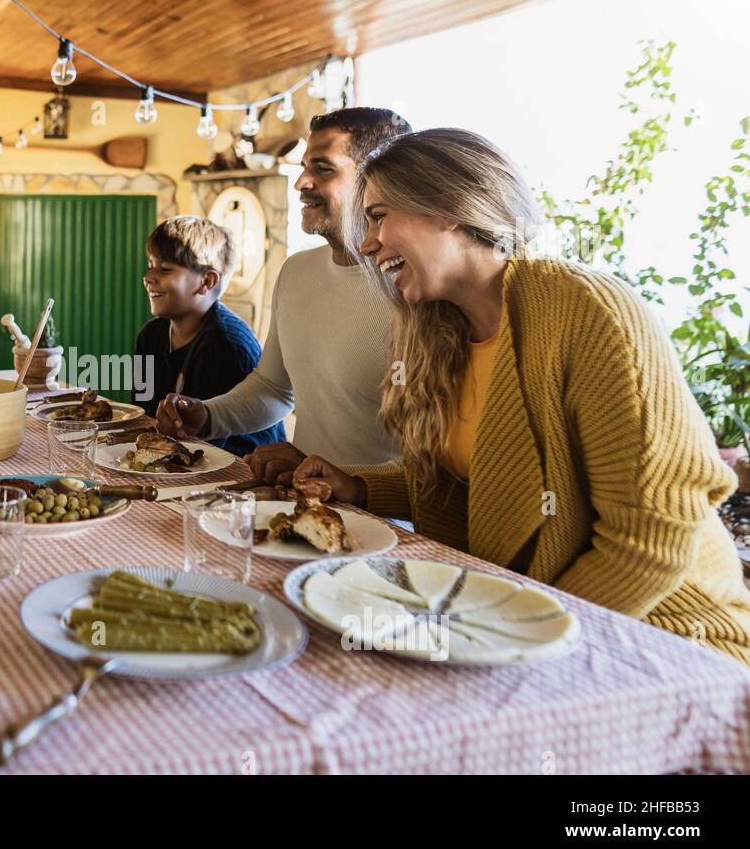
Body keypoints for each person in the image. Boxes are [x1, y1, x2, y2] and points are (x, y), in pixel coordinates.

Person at [292, 127, 750, 665]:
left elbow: (651, 540)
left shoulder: (587, 311)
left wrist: (504, 631)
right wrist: (362, 487)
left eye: (378, 217)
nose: (367, 243)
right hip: (520, 616)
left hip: (664, 635)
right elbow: (487, 490)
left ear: (449, 207)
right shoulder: (435, 332)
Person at [156, 108, 411, 481]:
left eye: (323, 169)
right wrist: (207, 415)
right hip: (300, 505)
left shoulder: (412, 288)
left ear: (376, 179)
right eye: (305, 166)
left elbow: (434, 457)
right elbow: (274, 388)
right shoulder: (296, 272)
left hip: (384, 528)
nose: (301, 182)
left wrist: (351, 483)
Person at [133, 215, 284, 456]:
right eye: (151, 265)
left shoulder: (226, 344)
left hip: (238, 471)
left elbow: (205, 451)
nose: (149, 277)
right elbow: (142, 416)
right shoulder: (149, 336)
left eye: (165, 269)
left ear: (207, 281)